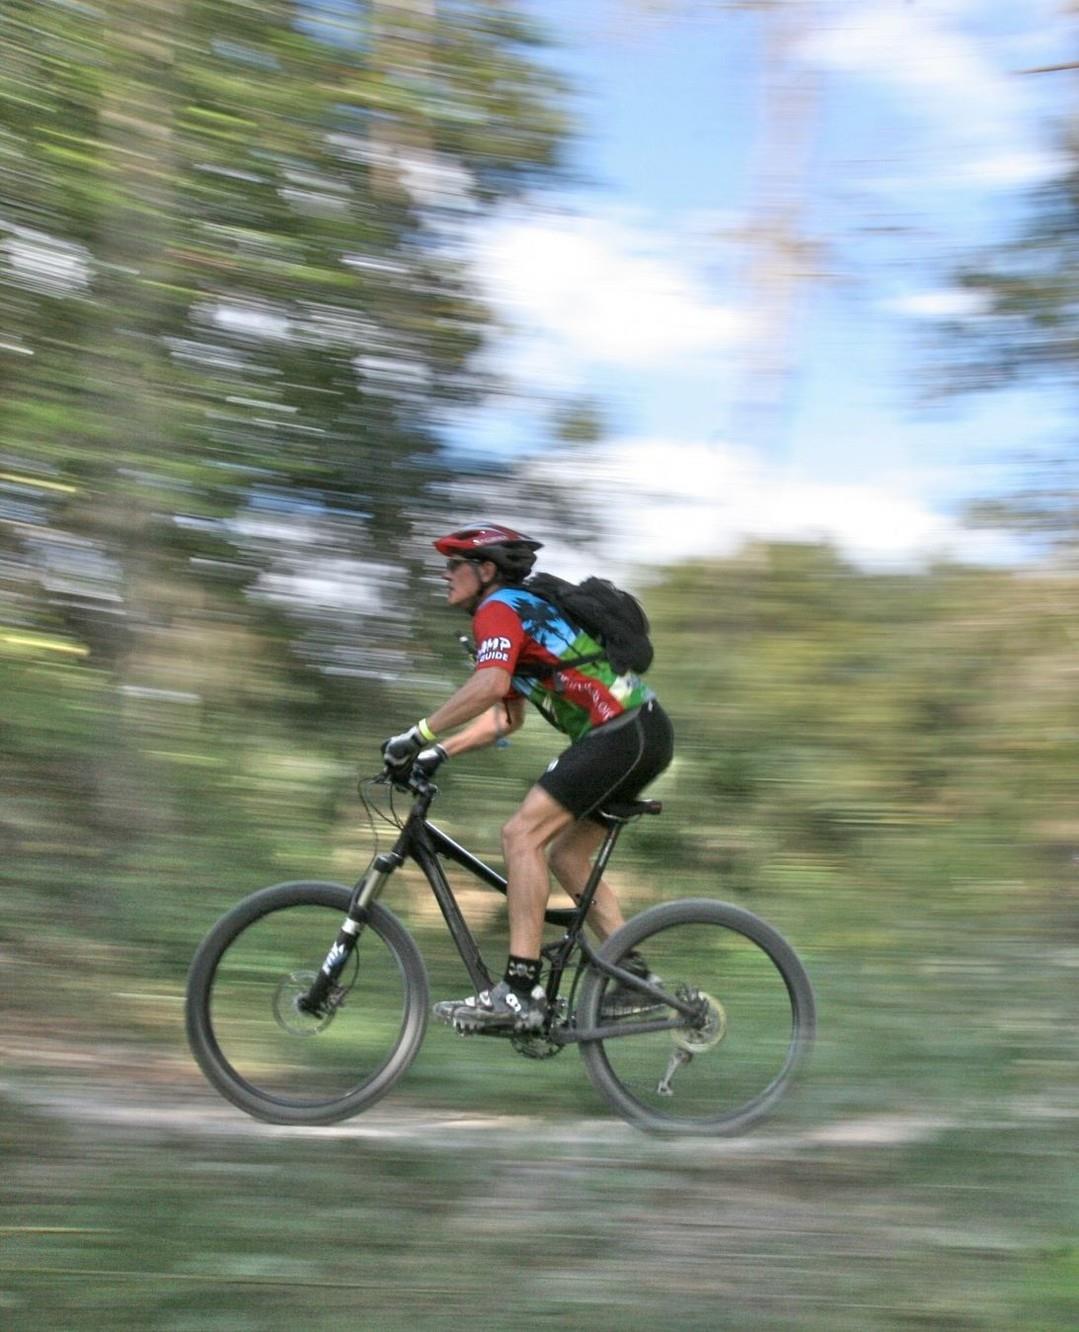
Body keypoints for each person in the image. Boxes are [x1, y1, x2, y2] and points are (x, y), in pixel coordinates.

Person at [380, 522, 674, 1032]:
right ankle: (632, 979)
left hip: (622, 730)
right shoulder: (515, 613)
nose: (445, 575)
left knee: (521, 835)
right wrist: (438, 753)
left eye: (455, 566)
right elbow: (504, 717)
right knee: (563, 854)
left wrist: (418, 734)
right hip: (638, 732)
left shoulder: (499, 609)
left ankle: (519, 991)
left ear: (486, 569)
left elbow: (489, 685)